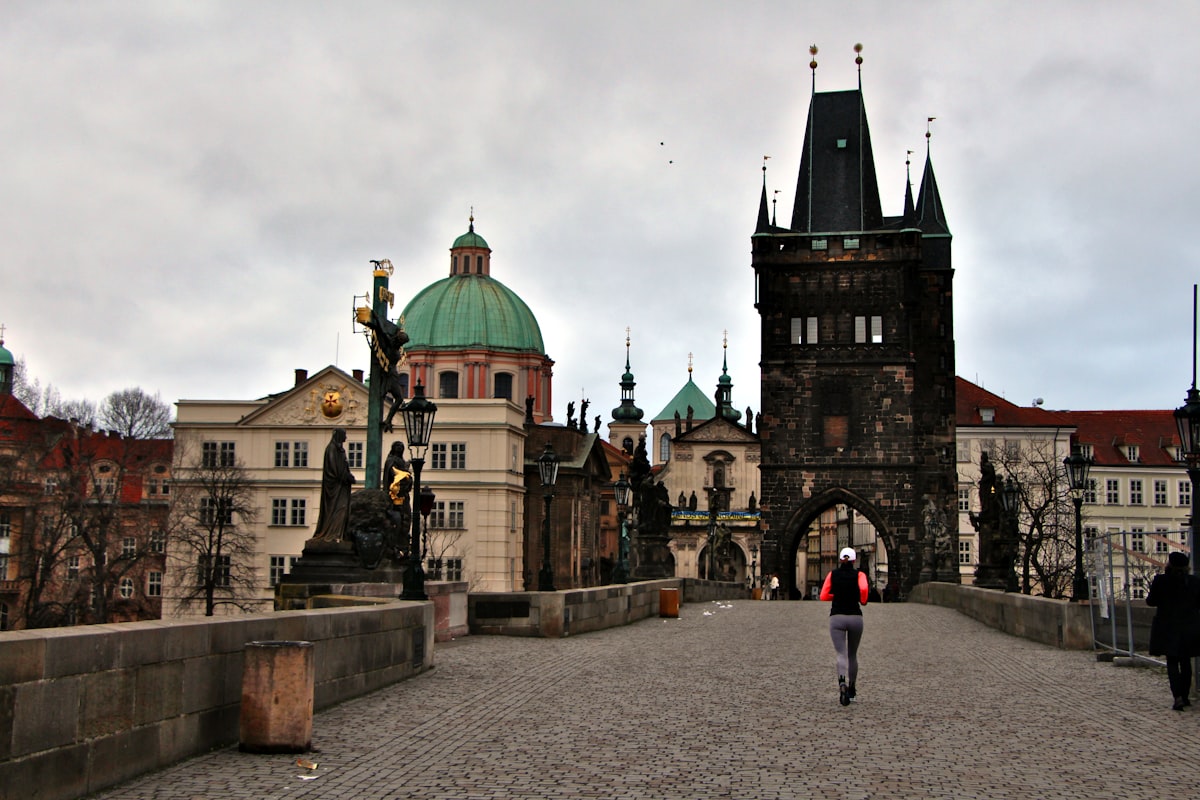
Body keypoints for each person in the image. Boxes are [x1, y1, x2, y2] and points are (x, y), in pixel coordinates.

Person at [1146, 551, 1200, 711]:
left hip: (1168, 626)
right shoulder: (1194, 582)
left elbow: (1151, 601)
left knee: (1172, 662)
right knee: (1185, 662)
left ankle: (1177, 697)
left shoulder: (1161, 581)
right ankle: (1185, 696)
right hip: (1189, 627)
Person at [820, 547, 870, 706]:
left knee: (841, 654)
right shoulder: (859, 575)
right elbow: (863, 588)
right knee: (852, 655)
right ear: (854, 560)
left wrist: (836, 595)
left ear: (840, 559)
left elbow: (823, 596)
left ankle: (842, 684)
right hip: (855, 617)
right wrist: (861, 600)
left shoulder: (832, 574)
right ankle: (852, 689)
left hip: (837, 617)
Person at [311, 428, 355, 542]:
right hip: (334, 488)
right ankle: (332, 534)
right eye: (344, 435)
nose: (346, 438)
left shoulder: (340, 450)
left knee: (343, 509)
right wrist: (346, 477)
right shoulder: (331, 449)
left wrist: (348, 475)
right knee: (338, 509)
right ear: (339, 436)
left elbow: (343, 466)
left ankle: (338, 533)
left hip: (341, 487)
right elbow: (333, 468)